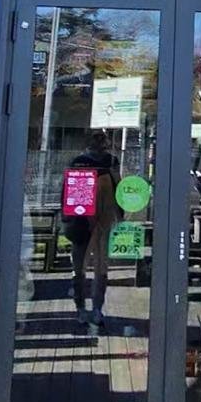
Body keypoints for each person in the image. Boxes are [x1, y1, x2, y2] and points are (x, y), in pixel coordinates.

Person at [61, 130, 118, 331]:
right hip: (85, 220)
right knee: (86, 267)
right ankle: (84, 308)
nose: (100, 142)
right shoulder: (83, 162)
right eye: (97, 138)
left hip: (96, 219)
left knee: (96, 268)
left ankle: (91, 308)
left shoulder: (106, 162)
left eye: (102, 138)